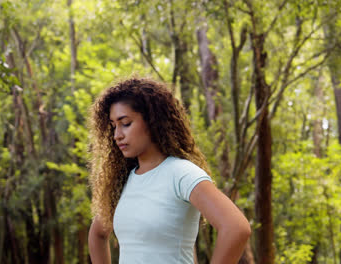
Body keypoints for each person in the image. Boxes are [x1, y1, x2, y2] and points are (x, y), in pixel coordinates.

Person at [88, 78, 251, 264]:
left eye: (125, 123)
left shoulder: (181, 173)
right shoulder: (122, 181)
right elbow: (98, 235)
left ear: (152, 121)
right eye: (113, 126)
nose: (117, 135)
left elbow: (236, 228)